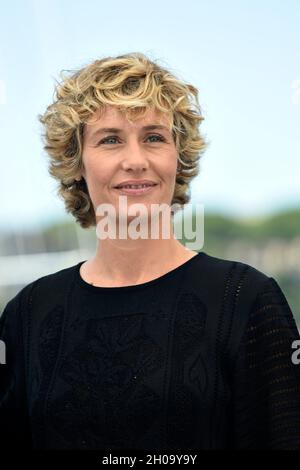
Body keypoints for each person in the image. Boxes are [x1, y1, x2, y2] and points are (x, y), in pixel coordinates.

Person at [1, 52, 300, 451]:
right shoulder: (27, 315)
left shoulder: (246, 300)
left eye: (154, 137)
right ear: (76, 162)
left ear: (179, 157)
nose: (136, 161)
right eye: (110, 140)